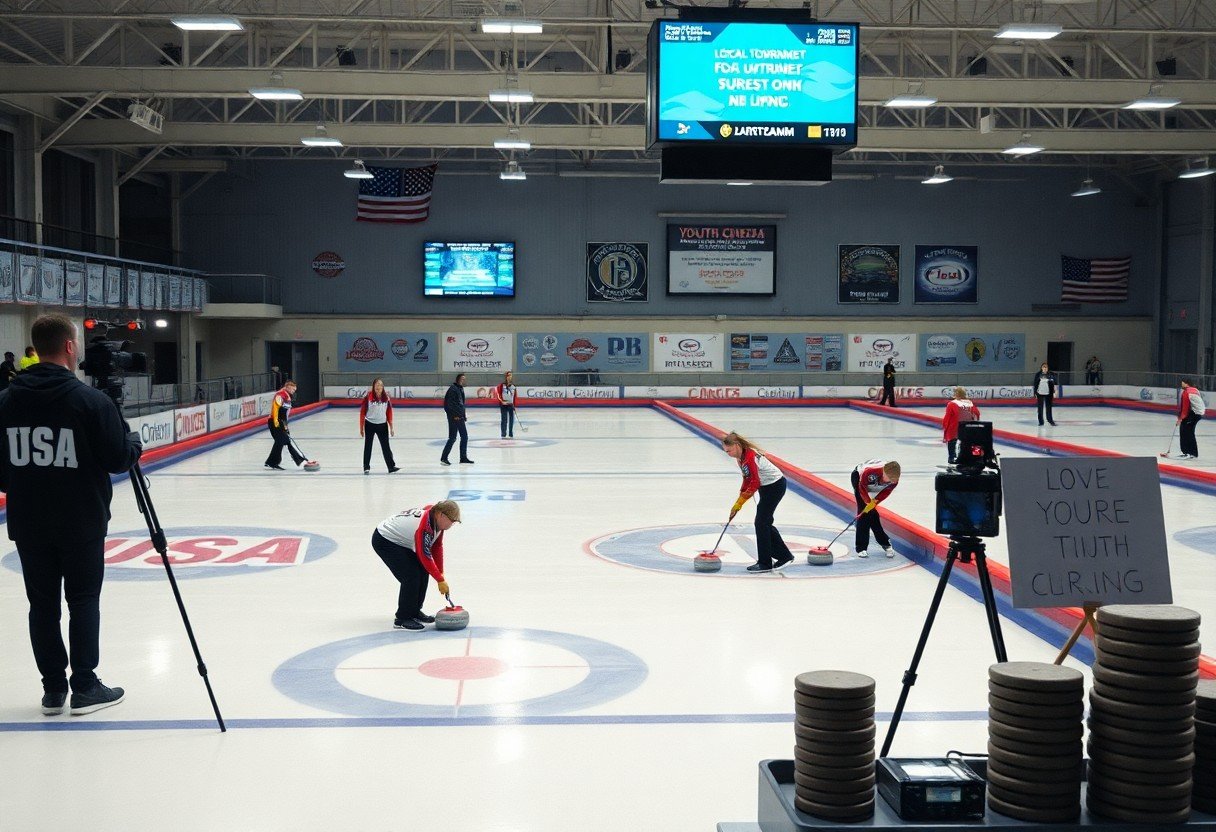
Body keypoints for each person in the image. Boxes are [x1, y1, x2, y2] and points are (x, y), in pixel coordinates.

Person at [0, 314, 143, 715]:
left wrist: (28, 484)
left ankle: (52, 690)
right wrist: (132, 440)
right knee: (83, 600)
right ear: (68, 346)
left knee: (41, 605)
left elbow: (2, 471)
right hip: (80, 520)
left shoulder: (6, 401)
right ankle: (84, 685)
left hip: (28, 522)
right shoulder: (91, 401)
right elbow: (118, 460)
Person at [371, 500, 461, 630]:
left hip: (400, 541)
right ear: (441, 515)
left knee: (423, 571)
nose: (452, 524)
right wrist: (439, 579)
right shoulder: (425, 526)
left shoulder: (435, 519)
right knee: (411, 576)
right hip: (385, 540)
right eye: (451, 520)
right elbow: (424, 555)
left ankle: (414, 611)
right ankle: (402, 618)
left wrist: (440, 572)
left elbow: (436, 546)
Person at [723, 431, 794, 573]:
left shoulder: (749, 457)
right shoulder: (741, 458)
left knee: (761, 523)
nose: (728, 454)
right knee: (765, 522)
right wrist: (738, 503)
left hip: (775, 486)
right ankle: (784, 555)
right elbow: (747, 480)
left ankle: (765, 563)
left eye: (729, 450)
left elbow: (754, 482)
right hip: (766, 487)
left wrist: (740, 502)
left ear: (737, 446)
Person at [852, 458, 900, 558]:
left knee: (871, 513)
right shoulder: (870, 472)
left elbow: (885, 493)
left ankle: (885, 544)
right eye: (889, 478)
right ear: (884, 472)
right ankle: (863, 547)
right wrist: (867, 503)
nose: (890, 481)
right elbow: (862, 488)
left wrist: (874, 503)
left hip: (876, 482)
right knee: (865, 513)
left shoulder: (893, 481)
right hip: (859, 478)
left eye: (892, 480)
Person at [264, 379, 309, 470]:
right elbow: (276, 408)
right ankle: (300, 459)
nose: (294, 392)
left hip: (281, 422)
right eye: (293, 390)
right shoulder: (280, 394)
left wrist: (285, 425)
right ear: (288, 387)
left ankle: (271, 462)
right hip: (275, 421)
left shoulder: (287, 396)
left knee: (282, 442)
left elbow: (285, 414)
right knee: (284, 441)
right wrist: (276, 420)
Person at [359, 378, 398, 474]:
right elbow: (362, 412)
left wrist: (391, 427)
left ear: (383, 387)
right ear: (373, 386)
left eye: (380, 385)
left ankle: (391, 467)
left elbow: (389, 413)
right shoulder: (368, 396)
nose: (378, 387)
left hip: (382, 425)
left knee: (386, 447)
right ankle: (366, 467)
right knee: (368, 446)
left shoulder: (387, 398)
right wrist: (361, 428)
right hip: (370, 424)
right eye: (376, 385)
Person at [942, 386, 981, 464]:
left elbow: (947, 417)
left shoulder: (952, 404)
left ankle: (952, 457)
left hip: (955, 426)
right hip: (967, 426)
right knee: (966, 442)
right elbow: (977, 414)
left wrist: (945, 426)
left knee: (952, 441)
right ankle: (965, 456)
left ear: (956, 394)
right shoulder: (969, 403)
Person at [440, 373, 473, 465]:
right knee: (455, 437)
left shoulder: (460, 389)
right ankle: (444, 458)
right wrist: (454, 415)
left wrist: (464, 415)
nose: (464, 380)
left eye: (464, 379)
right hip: (455, 417)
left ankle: (462, 457)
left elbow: (461, 404)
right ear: (458, 379)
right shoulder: (453, 389)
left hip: (460, 416)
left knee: (459, 437)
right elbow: (448, 405)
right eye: (462, 379)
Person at [1177, 377, 1205, 460]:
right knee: (1187, 431)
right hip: (1198, 413)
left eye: (1182, 383)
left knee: (1186, 431)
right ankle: (1190, 452)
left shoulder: (1186, 392)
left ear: (1186, 383)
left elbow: (1185, 408)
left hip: (1194, 413)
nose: (1181, 384)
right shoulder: (1195, 390)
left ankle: (1189, 452)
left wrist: (1180, 419)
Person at [493, 370, 519, 439]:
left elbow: (514, 397)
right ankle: (503, 433)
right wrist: (502, 401)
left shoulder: (513, 386)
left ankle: (510, 433)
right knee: (504, 419)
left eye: (511, 375)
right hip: (504, 405)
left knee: (511, 420)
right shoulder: (502, 385)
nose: (509, 377)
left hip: (511, 405)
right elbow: (498, 394)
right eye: (508, 375)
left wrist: (514, 406)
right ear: (506, 377)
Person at [1032, 362, 1058, 426]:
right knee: (1040, 408)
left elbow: (1054, 383)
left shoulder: (1051, 375)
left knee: (1049, 408)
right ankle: (1041, 422)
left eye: (1046, 367)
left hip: (1048, 393)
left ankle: (1050, 420)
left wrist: (1055, 392)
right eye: (1044, 367)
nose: (1045, 368)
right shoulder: (1038, 374)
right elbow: (1035, 384)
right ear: (1041, 368)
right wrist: (1035, 392)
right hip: (1040, 393)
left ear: (1048, 368)